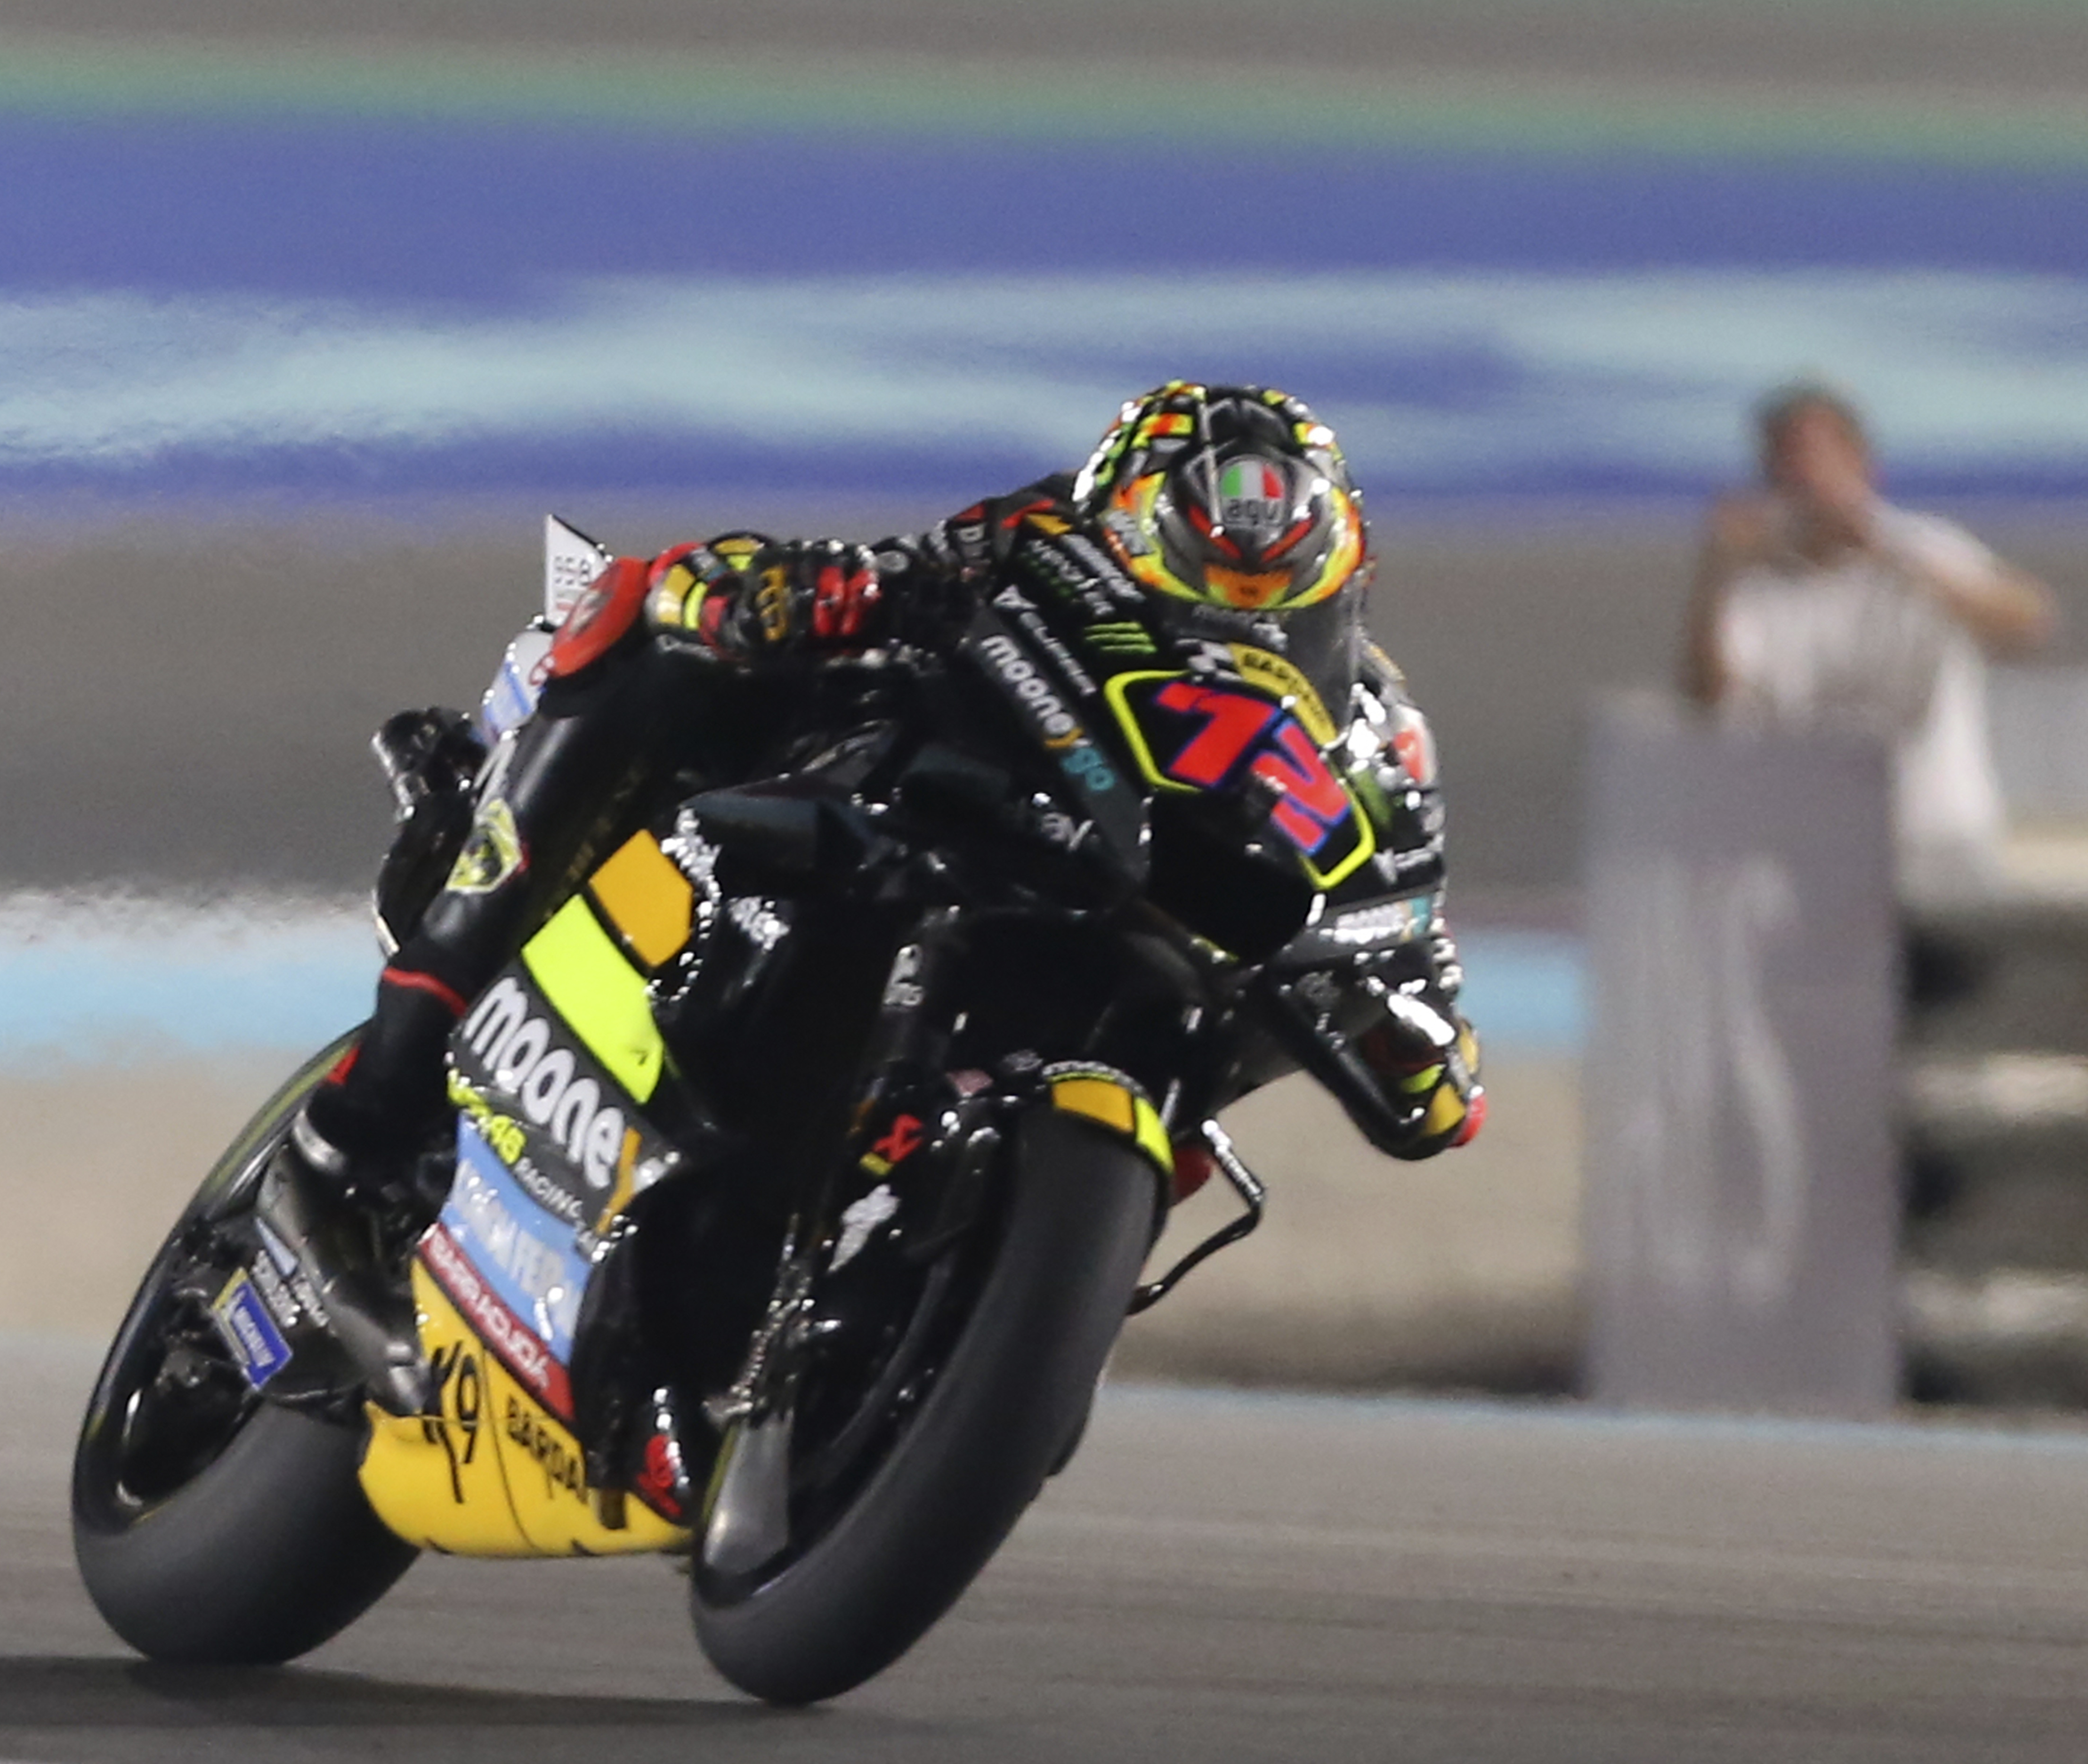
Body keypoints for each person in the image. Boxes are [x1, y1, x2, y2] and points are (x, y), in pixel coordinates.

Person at [274, 380, 1479, 1358]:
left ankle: (909, 1320)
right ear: (1129, 529)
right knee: (643, 607)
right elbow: (828, 579)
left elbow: (1419, 980)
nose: (1244, 619)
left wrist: (1417, 1035)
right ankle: (374, 1100)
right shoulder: (1028, 549)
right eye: (1212, 585)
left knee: (1196, 1116)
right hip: (910, 834)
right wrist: (786, 592)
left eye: (1275, 596)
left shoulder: (1376, 738)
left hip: (1129, 974)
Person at [1682, 380, 2055, 896]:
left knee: (1948, 972)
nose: (1803, 477)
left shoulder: (1924, 549)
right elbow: (1707, 698)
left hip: (1934, 831)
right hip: (1811, 841)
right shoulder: (1759, 587)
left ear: (1860, 463)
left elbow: (2029, 620)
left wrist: (1896, 559)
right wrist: (1717, 571)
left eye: (1816, 456)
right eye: (1785, 461)